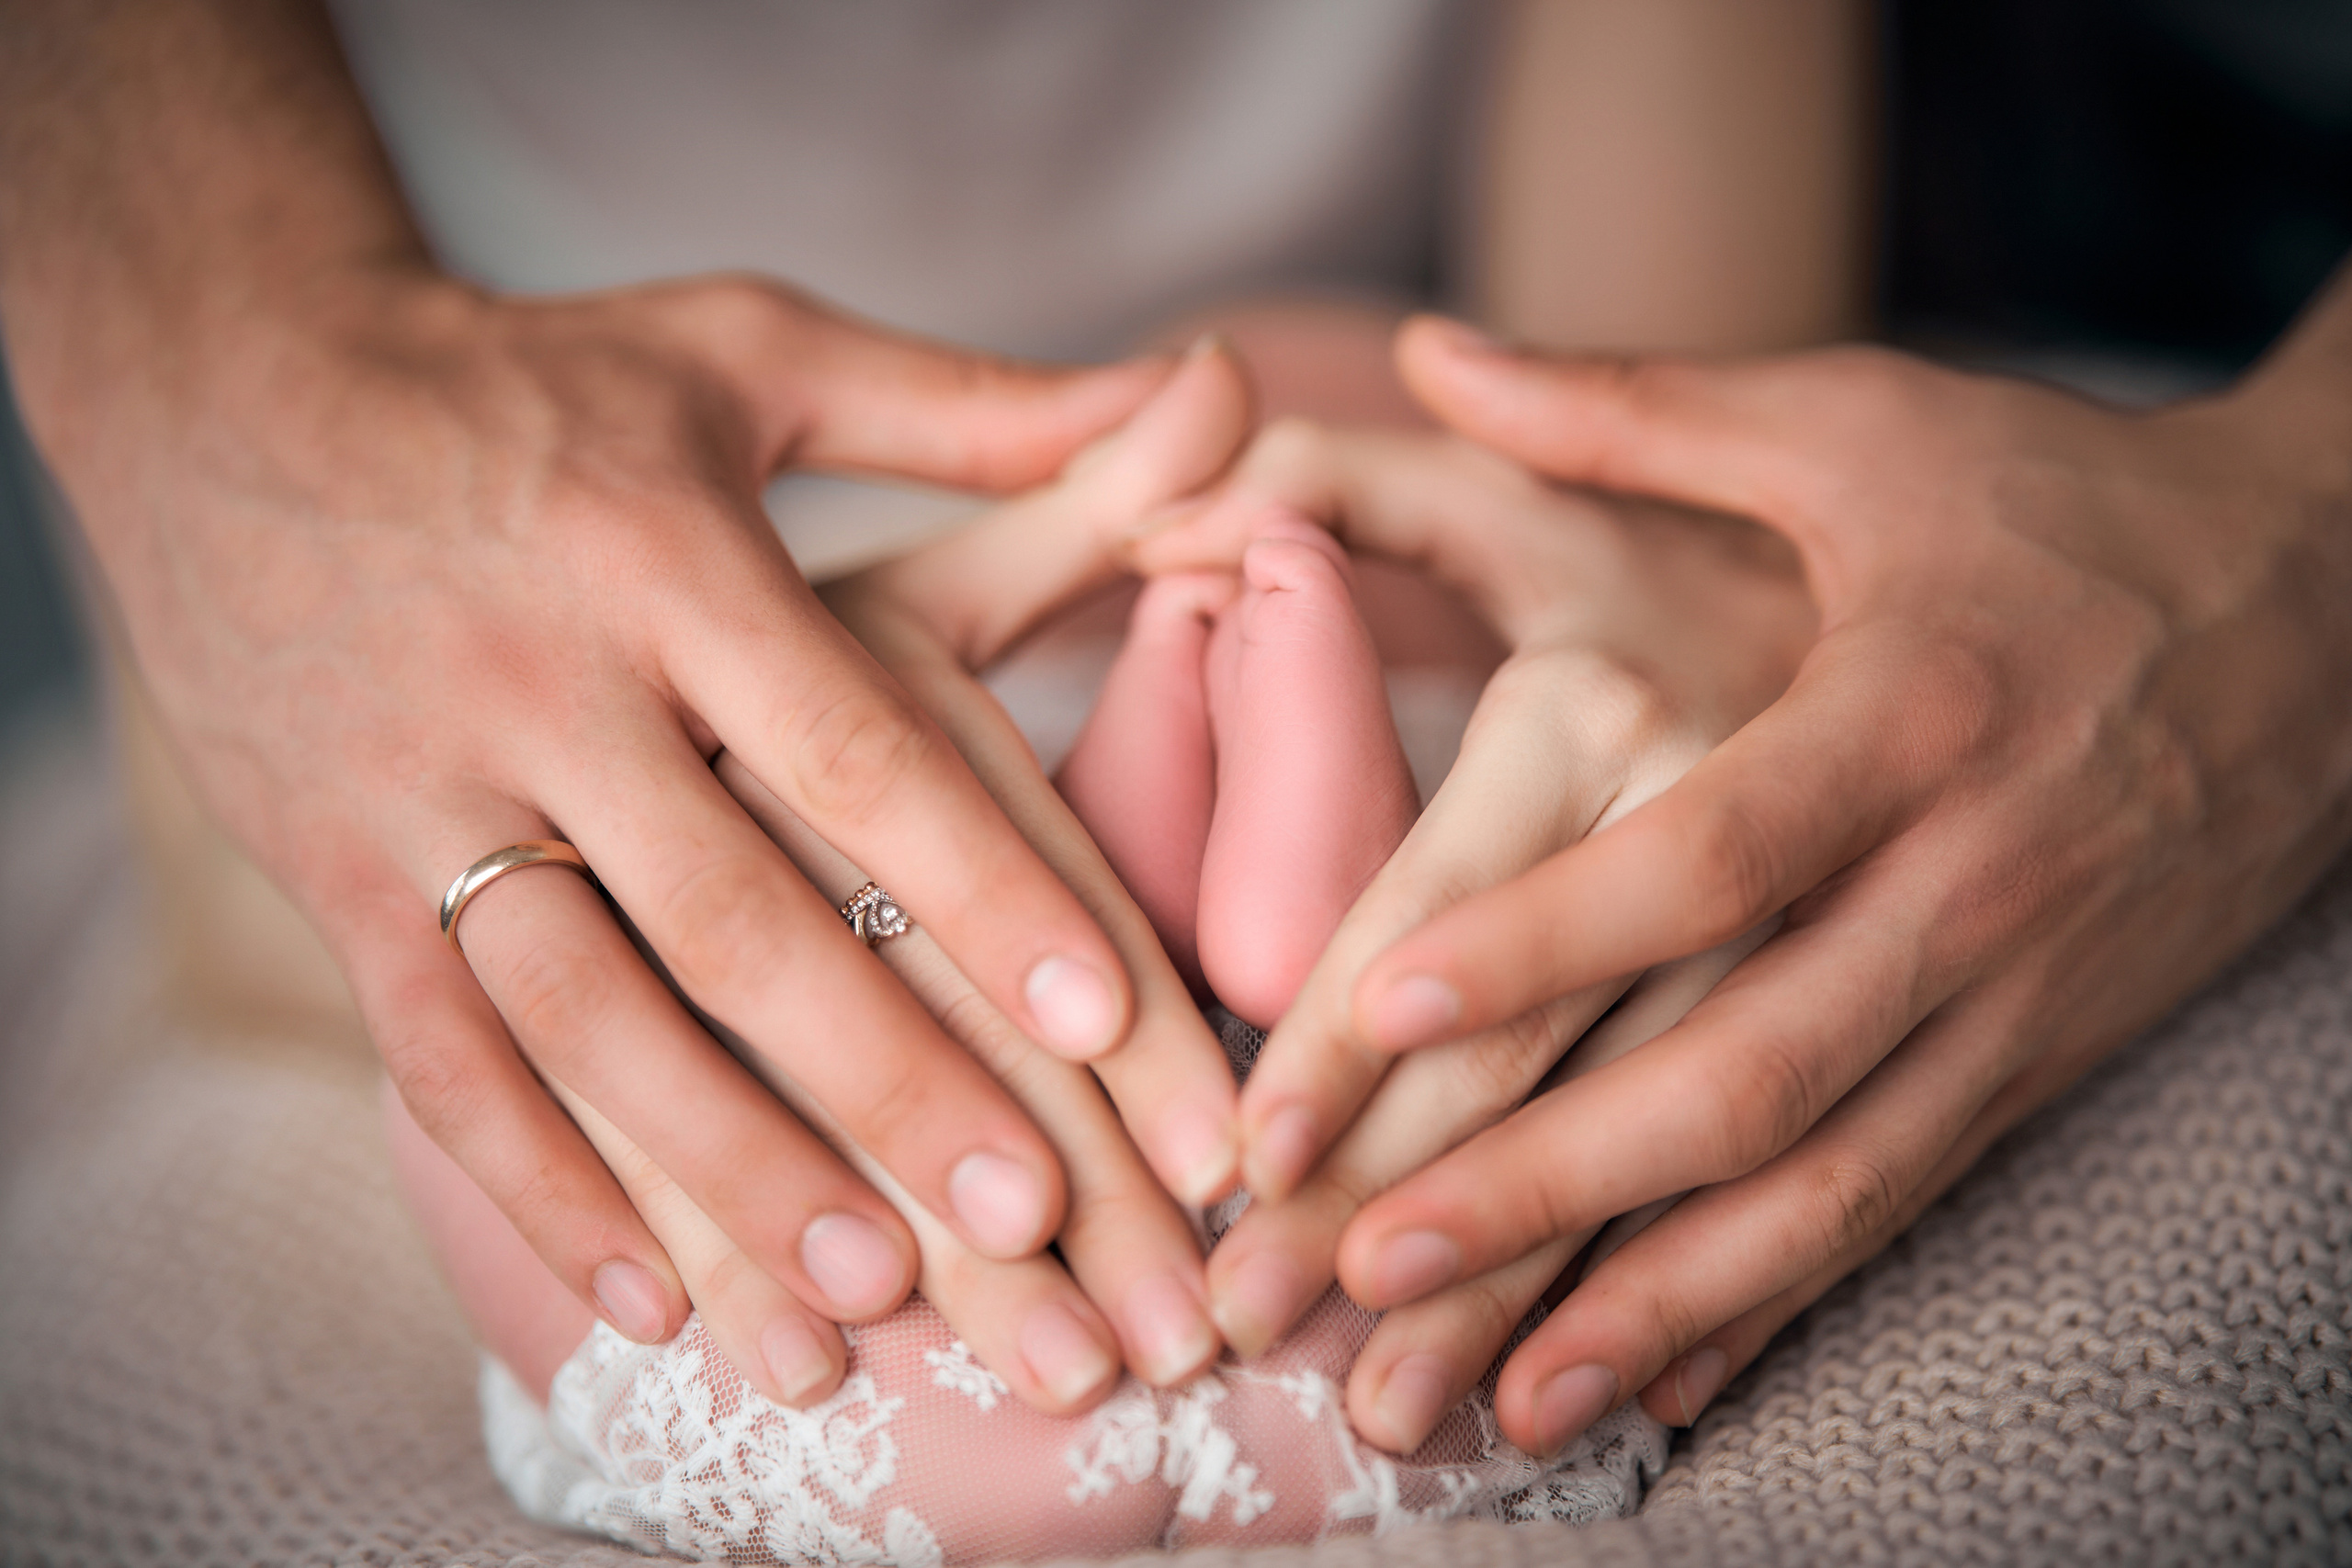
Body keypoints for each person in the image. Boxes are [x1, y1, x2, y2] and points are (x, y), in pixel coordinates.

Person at [0, 0, 1871, 1438]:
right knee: (404, 925)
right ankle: (1199, 771)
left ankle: (1234, 749)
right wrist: (310, 399)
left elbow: (1638, 434)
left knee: (1370, 520)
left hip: (1359, 409)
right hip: (557, 513)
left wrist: (1614, 557)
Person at [387, 340, 1824, 1562]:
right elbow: (1658, 387)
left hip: (854, 617)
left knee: (540, 1007)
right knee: (581, 921)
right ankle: (1265, 868)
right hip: (725, 635)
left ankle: (1165, 822)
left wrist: (1694, 576)